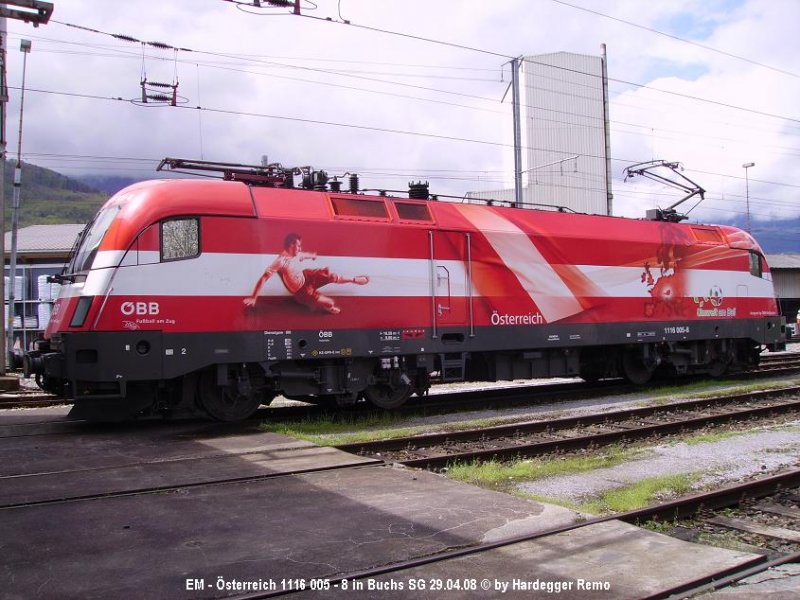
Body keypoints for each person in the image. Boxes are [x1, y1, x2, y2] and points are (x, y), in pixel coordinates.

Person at [243, 233, 368, 314]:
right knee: (330, 303)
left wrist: (313, 255)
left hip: (307, 276)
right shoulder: (280, 261)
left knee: (332, 276)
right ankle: (327, 307)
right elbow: (264, 278)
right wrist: (254, 297)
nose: (300, 248)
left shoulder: (296, 254)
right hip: (301, 292)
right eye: (298, 246)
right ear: (291, 245)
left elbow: (304, 255)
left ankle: (354, 280)